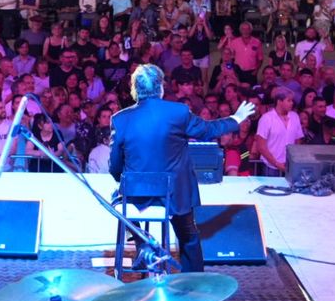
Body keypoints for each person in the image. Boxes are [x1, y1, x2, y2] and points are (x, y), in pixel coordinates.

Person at [109, 64, 255, 273]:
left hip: (138, 195)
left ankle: (142, 242)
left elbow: (115, 166)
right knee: (188, 235)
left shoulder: (120, 119)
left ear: (135, 90)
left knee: (117, 196)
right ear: (160, 87)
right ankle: (194, 279)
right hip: (174, 195)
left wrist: (123, 179)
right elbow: (208, 130)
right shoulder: (177, 112)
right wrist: (236, 119)